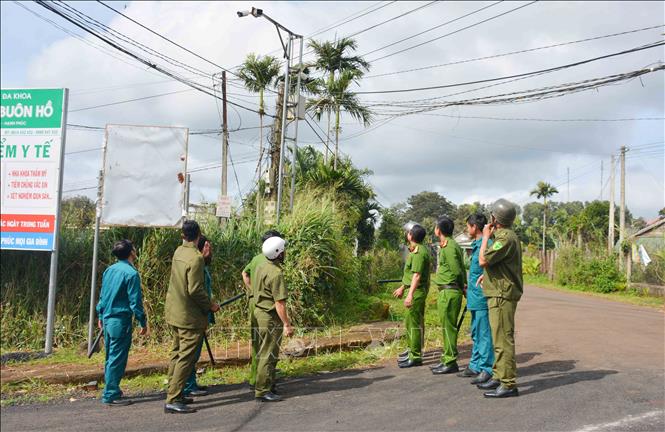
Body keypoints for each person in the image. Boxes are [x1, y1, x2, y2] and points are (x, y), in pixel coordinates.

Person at [164, 220, 220, 414]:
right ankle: (173, 399)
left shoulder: (179, 252)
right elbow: (195, 289)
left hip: (174, 312)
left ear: (183, 235)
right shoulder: (195, 258)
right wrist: (211, 305)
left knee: (176, 353)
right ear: (199, 234)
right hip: (189, 316)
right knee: (186, 358)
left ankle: (174, 392)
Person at [476, 199, 523, 398]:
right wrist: (485, 276)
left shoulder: (505, 238)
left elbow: (483, 260)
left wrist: (485, 237)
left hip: (502, 295)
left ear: (496, 218)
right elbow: (498, 265)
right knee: (498, 338)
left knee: (503, 339)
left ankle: (508, 383)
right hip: (498, 293)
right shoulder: (504, 236)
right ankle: (498, 375)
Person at [96, 239, 148, 406]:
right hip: (120, 321)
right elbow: (135, 302)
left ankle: (112, 390)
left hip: (107, 318)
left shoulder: (109, 270)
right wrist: (142, 322)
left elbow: (103, 296)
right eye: (134, 248)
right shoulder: (131, 274)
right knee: (117, 358)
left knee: (110, 357)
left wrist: (100, 315)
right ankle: (110, 394)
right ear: (131, 252)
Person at [252, 236, 293, 402]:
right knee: (268, 354)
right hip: (269, 317)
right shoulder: (276, 273)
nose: (285, 253)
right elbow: (280, 303)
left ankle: (267, 385)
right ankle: (262, 390)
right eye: (284, 250)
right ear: (278, 253)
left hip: (259, 313)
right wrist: (287, 324)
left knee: (263, 352)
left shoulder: (262, 266)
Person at [242, 229, 283, 391]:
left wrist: (253, 290)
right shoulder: (271, 264)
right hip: (266, 307)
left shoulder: (257, 258)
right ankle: (263, 383)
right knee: (268, 346)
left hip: (255, 304)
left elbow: (245, 273)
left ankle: (256, 379)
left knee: (257, 344)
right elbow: (279, 300)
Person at [461, 213, 495, 385]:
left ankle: (487, 368)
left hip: (482, 298)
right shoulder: (476, 245)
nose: (467, 229)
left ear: (475, 227)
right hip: (474, 297)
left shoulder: (487, 244)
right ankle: (475, 365)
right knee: (475, 332)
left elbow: (488, 270)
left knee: (484, 334)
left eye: (468, 226)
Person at [430, 216, 466, 375]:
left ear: (439, 230)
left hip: (450, 291)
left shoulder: (450, 246)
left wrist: (462, 285)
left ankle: (450, 361)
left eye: (435, 226)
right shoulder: (448, 245)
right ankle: (446, 358)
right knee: (446, 327)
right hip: (447, 290)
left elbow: (457, 270)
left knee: (449, 328)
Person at [393, 223, 431, 368]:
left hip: (416, 292)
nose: (407, 233)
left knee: (413, 324)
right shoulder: (416, 250)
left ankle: (415, 356)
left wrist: (410, 295)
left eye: (408, 232)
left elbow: (416, 276)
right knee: (410, 323)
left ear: (411, 236)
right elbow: (410, 275)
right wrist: (403, 287)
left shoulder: (419, 253)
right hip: (413, 290)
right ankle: (412, 350)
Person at [183, 235, 216, 398]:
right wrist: (210, 305)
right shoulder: (197, 264)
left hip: (202, 314)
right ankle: (187, 385)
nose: (210, 251)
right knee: (191, 353)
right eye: (208, 247)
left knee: (195, 353)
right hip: (194, 315)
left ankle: (191, 383)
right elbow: (196, 291)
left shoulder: (203, 265)